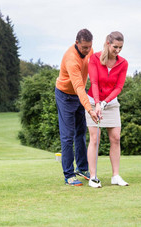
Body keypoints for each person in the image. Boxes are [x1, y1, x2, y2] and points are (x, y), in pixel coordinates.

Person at [55, 29, 98, 186]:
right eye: (84, 47)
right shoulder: (71, 59)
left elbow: (93, 70)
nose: (87, 50)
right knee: (67, 135)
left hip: (80, 94)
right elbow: (79, 86)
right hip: (65, 95)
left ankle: (82, 168)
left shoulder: (90, 50)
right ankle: (69, 174)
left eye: (89, 47)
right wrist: (90, 109)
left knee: (81, 132)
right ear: (77, 43)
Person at [86, 31, 129, 188]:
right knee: (95, 138)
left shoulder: (123, 63)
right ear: (107, 43)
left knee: (116, 138)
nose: (117, 50)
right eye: (115, 47)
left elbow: (119, 87)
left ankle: (115, 176)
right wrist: (98, 103)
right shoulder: (95, 59)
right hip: (92, 101)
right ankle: (93, 177)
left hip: (111, 103)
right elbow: (95, 83)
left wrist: (105, 102)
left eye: (120, 47)